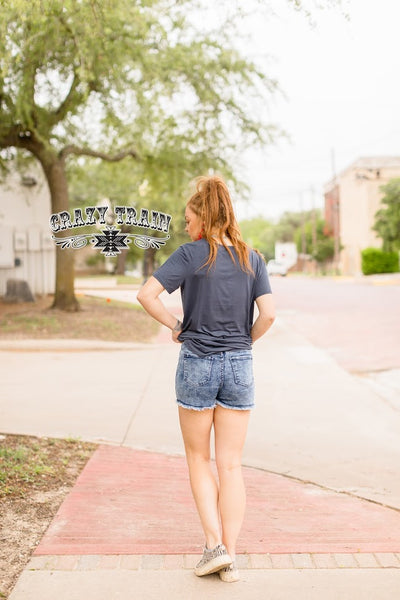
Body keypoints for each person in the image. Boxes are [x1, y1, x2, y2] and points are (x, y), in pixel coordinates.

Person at [137, 175, 275, 583]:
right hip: (239, 364)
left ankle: (212, 545)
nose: (185, 226)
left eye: (187, 219)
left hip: (197, 360)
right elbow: (268, 314)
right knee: (230, 464)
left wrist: (176, 325)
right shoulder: (253, 258)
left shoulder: (189, 254)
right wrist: (243, 342)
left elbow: (147, 295)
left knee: (199, 459)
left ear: (203, 217)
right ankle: (228, 556)